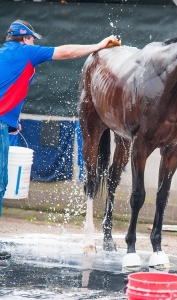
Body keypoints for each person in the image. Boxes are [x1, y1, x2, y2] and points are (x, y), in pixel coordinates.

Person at [0, 20, 118, 260]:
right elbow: (65, 51)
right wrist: (98, 45)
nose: (34, 42)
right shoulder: (25, 52)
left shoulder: (4, 53)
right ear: (24, 38)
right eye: (32, 38)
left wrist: (12, 122)